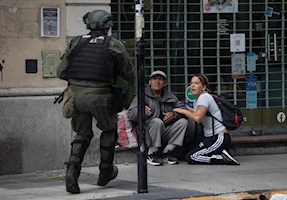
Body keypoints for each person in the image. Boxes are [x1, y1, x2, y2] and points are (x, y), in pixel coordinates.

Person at [56, 9, 135, 194]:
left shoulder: (76, 42)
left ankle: (72, 172)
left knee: (82, 134)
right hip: (101, 96)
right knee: (108, 130)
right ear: (107, 26)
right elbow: (129, 73)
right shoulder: (114, 45)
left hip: (76, 97)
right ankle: (105, 171)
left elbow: (61, 72)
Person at [173, 74, 240, 165]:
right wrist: (185, 108)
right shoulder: (199, 99)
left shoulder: (204, 97)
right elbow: (198, 111)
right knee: (187, 151)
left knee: (192, 157)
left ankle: (221, 158)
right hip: (210, 138)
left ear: (203, 87)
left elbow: (197, 117)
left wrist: (183, 111)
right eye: (191, 83)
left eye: (196, 83)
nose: (192, 85)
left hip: (218, 137)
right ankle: (218, 154)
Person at [127, 70, 188, 166]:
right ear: (150, 82)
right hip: (147, 133)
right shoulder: (142, 96)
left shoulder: (170, 96)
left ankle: (167, 152)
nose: (157, 81)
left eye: (160, 79)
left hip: (164, 131)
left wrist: (173, 114)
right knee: (157, 121)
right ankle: (152, 152)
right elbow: (130, 114)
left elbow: (183, 109)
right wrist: (141, 111)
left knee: (183, 122)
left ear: (165, 83)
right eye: (154, 79)